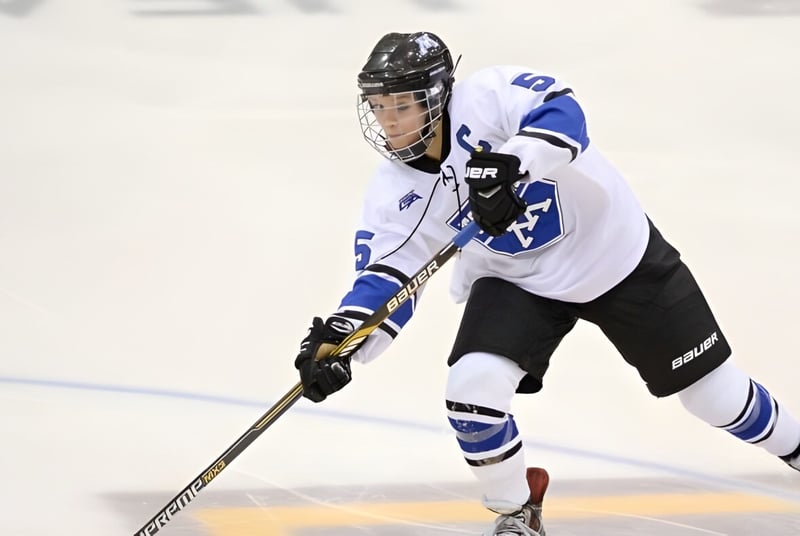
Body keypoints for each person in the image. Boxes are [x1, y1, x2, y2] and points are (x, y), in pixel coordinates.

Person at [292, 31, 800, 536]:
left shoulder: (490, 96)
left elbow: (565, 112)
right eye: (378, 106)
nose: (388, 120)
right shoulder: (394, 190)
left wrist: (512, 165)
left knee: (717, 398)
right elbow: (387, 274)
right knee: (473, 393)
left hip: (615, 254)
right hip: (518, 281)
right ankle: (518, 509)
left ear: (438, 94)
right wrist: (345, 339)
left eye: (400, 104)